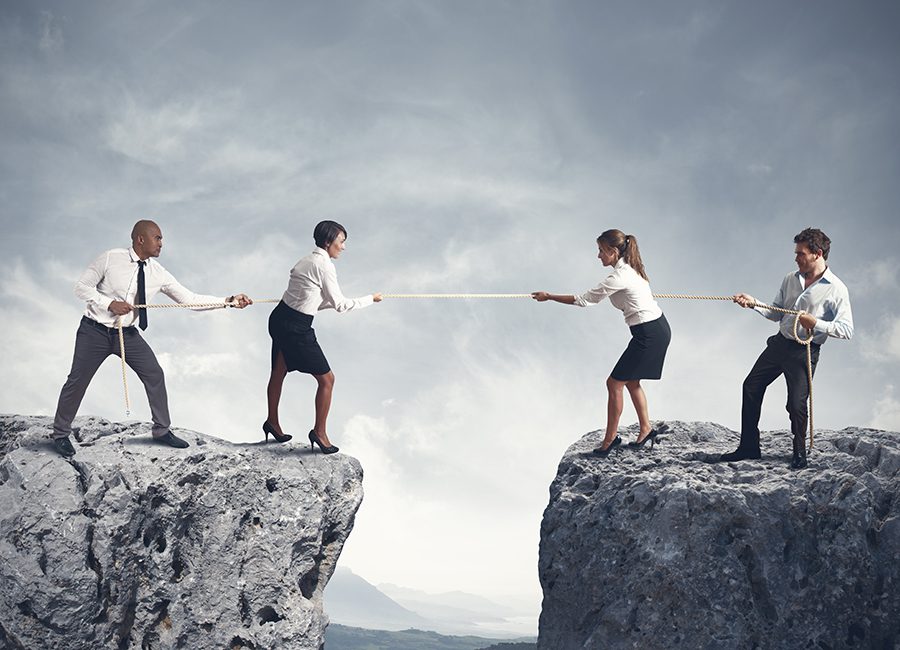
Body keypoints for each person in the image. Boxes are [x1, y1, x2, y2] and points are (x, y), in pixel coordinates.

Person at [51, 220, 252, 457]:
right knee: (77, 380)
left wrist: (228, 301)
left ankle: (161, 430)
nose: (161, 244)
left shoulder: (158, 273)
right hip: (93, 332)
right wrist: (109, 303)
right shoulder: (109, 258)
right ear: (141, 239)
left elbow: (190, 299)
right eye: (157, 238)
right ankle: (61, 433)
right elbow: (81, 288)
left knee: (154, 374)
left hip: (127, 335)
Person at [717, 227, 853, 469]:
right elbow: (775, 313)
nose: (796, 258)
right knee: (751, 386)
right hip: (779, 345)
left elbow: (847, 330)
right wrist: (752, 303)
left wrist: (816, 323)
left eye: (800, 253)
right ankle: (749, 447)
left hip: (804, 351)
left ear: (817, 254)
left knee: (796, 405)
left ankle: (799, 453)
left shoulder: (836, 289)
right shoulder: (790, 278)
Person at [532, 229, 671, 456]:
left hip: (649, 334)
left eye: (601, 251)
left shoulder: (619, 276)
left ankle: (609, 440)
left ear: (613, 251)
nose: (598, 256)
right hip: (654, 329)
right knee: (631, 380)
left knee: (614, 383)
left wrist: (548, 296)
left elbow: (583, 300)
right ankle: (646, 429)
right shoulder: (630, 269)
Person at [264, 220, 382, 454]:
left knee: (278, 372)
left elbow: (312, 301)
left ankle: (272, 422)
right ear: (328, 242)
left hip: (279, 318)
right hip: (296, 328)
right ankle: (319, 432)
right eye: (341, 242)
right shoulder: (325, 266)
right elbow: (340, 304)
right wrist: (371, 299)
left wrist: (328, 302)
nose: (343, 247)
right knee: (327, 380)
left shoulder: (305, 260)